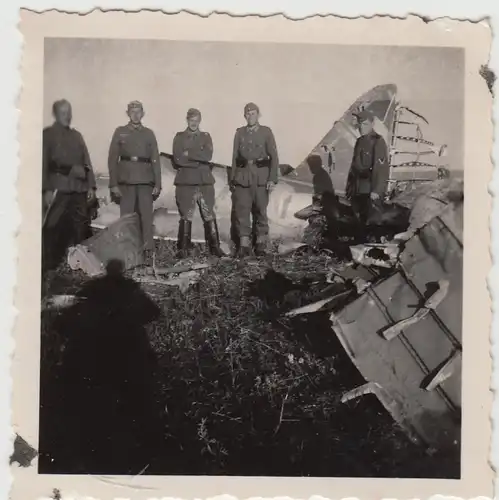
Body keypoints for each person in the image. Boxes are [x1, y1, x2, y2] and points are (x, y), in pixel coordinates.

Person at [42, 99, 96, 272]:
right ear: (55, 114)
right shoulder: (48, 135)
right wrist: (46, 189)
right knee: (52, 226)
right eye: (63, 113)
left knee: (80, 227)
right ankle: (49, 264)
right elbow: (42, 164)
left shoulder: (77, 136)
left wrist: (91, 186)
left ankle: (79, 264)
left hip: (78, 188)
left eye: (69, 112)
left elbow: (87, 163)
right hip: (59, 187)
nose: (68, 116)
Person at [108, 101, 161, 265]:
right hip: (126, 182)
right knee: (126, 219)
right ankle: (126, 256)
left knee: (146, 218)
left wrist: (157, 183)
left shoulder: (149, 134)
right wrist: (113, 184)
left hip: (145, 182)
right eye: (132, 112)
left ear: (143, 113)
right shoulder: (120, 132)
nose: (136, 115)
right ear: (128, 113)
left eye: (138, 112)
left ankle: (147, 255)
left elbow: (155, 160)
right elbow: (112, 159)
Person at [172, 108, 224, 258]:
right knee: (186, 214)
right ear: (187, 120)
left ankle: (215, 247)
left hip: (204, 182)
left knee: (208, 213)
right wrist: (197, 159)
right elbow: (178, 159)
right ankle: (183, 248)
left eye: (196, 120)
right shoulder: (179, 137)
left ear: (200, 121)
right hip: (186, 181)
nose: (194, 123)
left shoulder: (206, 137)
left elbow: (208, 155)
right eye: (191, 120)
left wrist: (189, 154)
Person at [229, 102, 279, 257]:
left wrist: (272, 179)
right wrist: (233, 179)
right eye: (248, 114)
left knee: (260, 211)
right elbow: (235, 157)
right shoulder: (240, 133)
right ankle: (244, 246)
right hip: (243, 177)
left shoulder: (266, 132)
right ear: (244, 116)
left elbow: (274, 157)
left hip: (260, 177)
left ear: (258, 115)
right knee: (241, 211)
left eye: (253, 113)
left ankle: (261, 244)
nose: (250, 116)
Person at [345, 109, 389, 233]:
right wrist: (350, 188)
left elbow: (381, 169)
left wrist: (377, 190)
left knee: (372, 224)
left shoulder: (377, 141)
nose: (361, 128)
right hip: (358, 189)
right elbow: (354, 167)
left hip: (370, 190)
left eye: (365, 124)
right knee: (358, 222)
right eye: (360, 124)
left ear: (371, 124)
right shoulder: (360, 141)